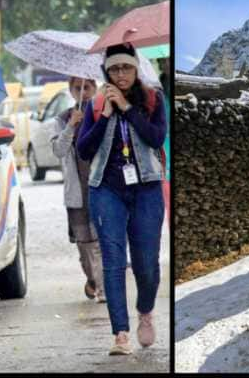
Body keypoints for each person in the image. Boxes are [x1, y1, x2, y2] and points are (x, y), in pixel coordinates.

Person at [76, 43, 166, 356]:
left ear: (135, 68)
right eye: (114, 69)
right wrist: (104, 116)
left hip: (147, 188)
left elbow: (156, 138)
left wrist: (128, 108)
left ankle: (144, 311)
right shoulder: (97, 102)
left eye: (125, 67)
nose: (120, 74)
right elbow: (84, 150)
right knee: (113, 262)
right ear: (106, 71)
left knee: (147, 265)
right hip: (107, 189)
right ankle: (120, 334)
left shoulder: (153, 98)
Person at [51, 76, 106, 303]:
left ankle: (103, 289)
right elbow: (58, 150)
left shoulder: (103, 115)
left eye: (88, 87)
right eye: (77, 88)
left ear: (95, 88)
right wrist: (72, 126)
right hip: (77, 192)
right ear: (71, 91)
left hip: (102, 187)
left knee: (101, 243)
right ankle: (92, 280)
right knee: (85, 247)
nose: (83, 92)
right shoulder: (63, 118)